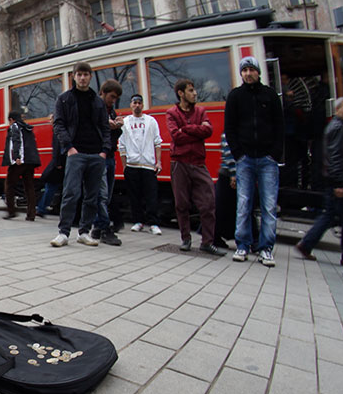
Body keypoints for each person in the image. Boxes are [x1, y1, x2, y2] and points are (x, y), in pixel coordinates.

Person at [225, 56, 284, 266]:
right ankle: (242, 245)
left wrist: (275, 153)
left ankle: (266, 248)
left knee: (269, 206)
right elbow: (229, 128)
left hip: (267, 159)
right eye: (244, 70)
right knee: (244, 204)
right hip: (246, 159)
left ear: (258, 72)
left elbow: (279, 126)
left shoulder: (270, 95)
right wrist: (238, 154)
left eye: (251, 69)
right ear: (241, 74)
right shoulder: (235, 97)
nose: (248, 73)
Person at [50, 61, 110, 247]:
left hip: (96, 154)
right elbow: (58, 124)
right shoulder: (64, 99)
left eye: (86, 74)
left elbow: (105, 127)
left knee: (92, 196)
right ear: (73, 77)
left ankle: (84, 232)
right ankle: (63, 232)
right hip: (76, 153)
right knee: (71, 193)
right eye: (79, 74)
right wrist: (69, 147)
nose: (82, 78)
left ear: (90, 77)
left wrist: (104, 151)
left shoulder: (97, 101)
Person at [294, 97, 343, 265]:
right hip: (339, 180)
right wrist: (339, 183)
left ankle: (306, 244)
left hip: (335, 179)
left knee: (329, 215)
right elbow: (335, 157)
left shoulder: (335, 127)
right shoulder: (338, 128)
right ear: (337, 110)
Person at [167, 78, 225, 256]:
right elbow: (176, 136)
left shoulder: (201, 111)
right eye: (191, 90)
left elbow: (208, 131)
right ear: (181, 93)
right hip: (180, 162)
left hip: (198, 162)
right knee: (181, 203)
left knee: (208, 203)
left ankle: (207, 242)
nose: (195, 93)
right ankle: (186, 239)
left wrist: (187, 128)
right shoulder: (172, 112)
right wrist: (196, 129)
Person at [119, 94, 162, 235]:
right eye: (134, 102)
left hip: (148, 165)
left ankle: (153, 223)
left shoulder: (151, 121)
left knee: (151, 195)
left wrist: (159, 161)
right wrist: (125, 166)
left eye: (139, 103)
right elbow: (122, 146)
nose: (137, 105)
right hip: (132, 165)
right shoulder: (125, 122)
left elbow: (157, 142)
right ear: (130, 105)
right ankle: (138, 221)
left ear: (142, 105)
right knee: (134, 195)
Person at [92, 80, 124, 245]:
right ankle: (105, 228)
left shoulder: (111, 111)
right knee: (102, 194)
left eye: (116, 97)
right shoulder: (96, 108)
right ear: (103, 93)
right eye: (111, 96)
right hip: (100, 156)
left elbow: (112, 135)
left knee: (107, 195)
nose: (113, 100)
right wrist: (107, 125)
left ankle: (97, 227)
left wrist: (118, 127)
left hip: (110, 155)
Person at [2, 110, 40, 220]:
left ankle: (11, 211)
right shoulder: (27, 127)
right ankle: (31, 214)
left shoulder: (15, 126)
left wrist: (17, 156)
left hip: (19, 161)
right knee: (29, 187)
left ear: (11, 119)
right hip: (30, 161)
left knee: (9, 185)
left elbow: (16, 141)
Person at [35, 113, 62, 219]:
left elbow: (56, 148)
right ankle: (42, 208)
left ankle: (41, 208)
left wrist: (57, 163)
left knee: (50, 186)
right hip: (60, 162)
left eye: (50, 119)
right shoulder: (60, 129)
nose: (49, 121)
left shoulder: (57, 130)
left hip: (58, 163)